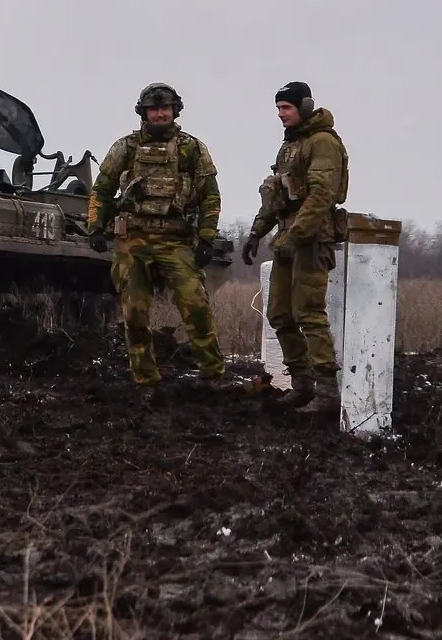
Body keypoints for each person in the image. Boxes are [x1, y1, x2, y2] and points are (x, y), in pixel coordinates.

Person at [86, 83, 227, 390]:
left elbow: (210, 196)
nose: (160, 113)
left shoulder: (191, 148)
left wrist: (206, 237)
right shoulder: (126, 147)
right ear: (144, 112)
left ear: (175, 110)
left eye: (166, 108)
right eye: (154, 108)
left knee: (195, 304)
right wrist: (95, 227)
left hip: (175, 240)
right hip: (133, 239)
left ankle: (213, 374)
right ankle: (145, 380)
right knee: (134, 313)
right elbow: (103, 189)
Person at [241, 81, 349, 414]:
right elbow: (276, 196)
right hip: (288, 240)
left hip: (312, 239)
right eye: (278, 109)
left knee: (309, 314)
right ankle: (302, 385)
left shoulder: (322, 143)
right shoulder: (290, 147)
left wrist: (293, 237)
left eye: (286, 108)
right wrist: (257, 233)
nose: (280, 114)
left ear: (302, 106)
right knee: (280, 314)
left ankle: (327, 392)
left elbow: (320, 197)